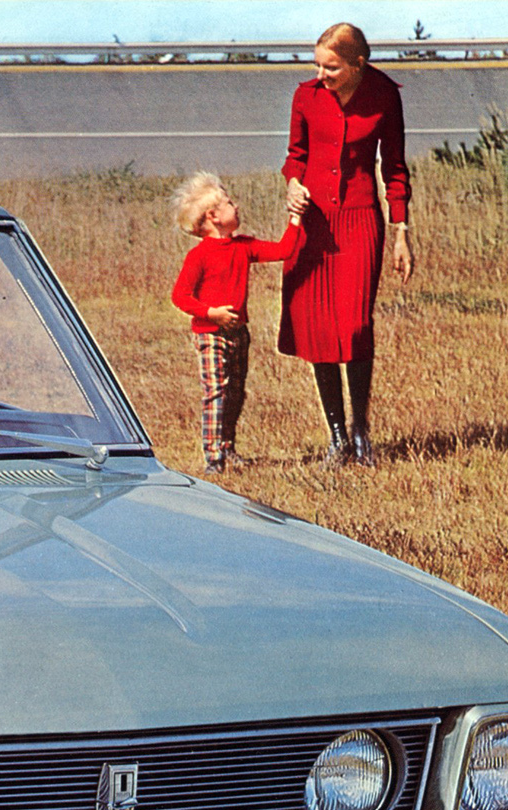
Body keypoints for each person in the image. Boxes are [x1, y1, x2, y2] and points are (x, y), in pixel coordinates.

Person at [280, 22, 413, 467]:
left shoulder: (384, 95)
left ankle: (360, 432)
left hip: (359, 220)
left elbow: (395, 167)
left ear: (358, 64)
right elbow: (295, 156)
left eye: (331, 68)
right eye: (317, 65)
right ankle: (336, 436)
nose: (321, 75)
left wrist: (401, 231)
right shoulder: (306, 96)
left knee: (355, 327)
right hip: (314, 223)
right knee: (319, 329)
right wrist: (293, 184)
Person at [170, 172, 305, 474]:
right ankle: (213, 457)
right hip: (210, 334)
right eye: (230, 203)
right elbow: (180, 296)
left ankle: (228, 447)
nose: (237, 206)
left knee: (236, 392)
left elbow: (284, 250)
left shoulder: (244, 246)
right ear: (214, 216)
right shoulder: (198, 256)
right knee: (215, 392)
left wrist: (295, 218)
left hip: (239, 333)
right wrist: (211, 313)